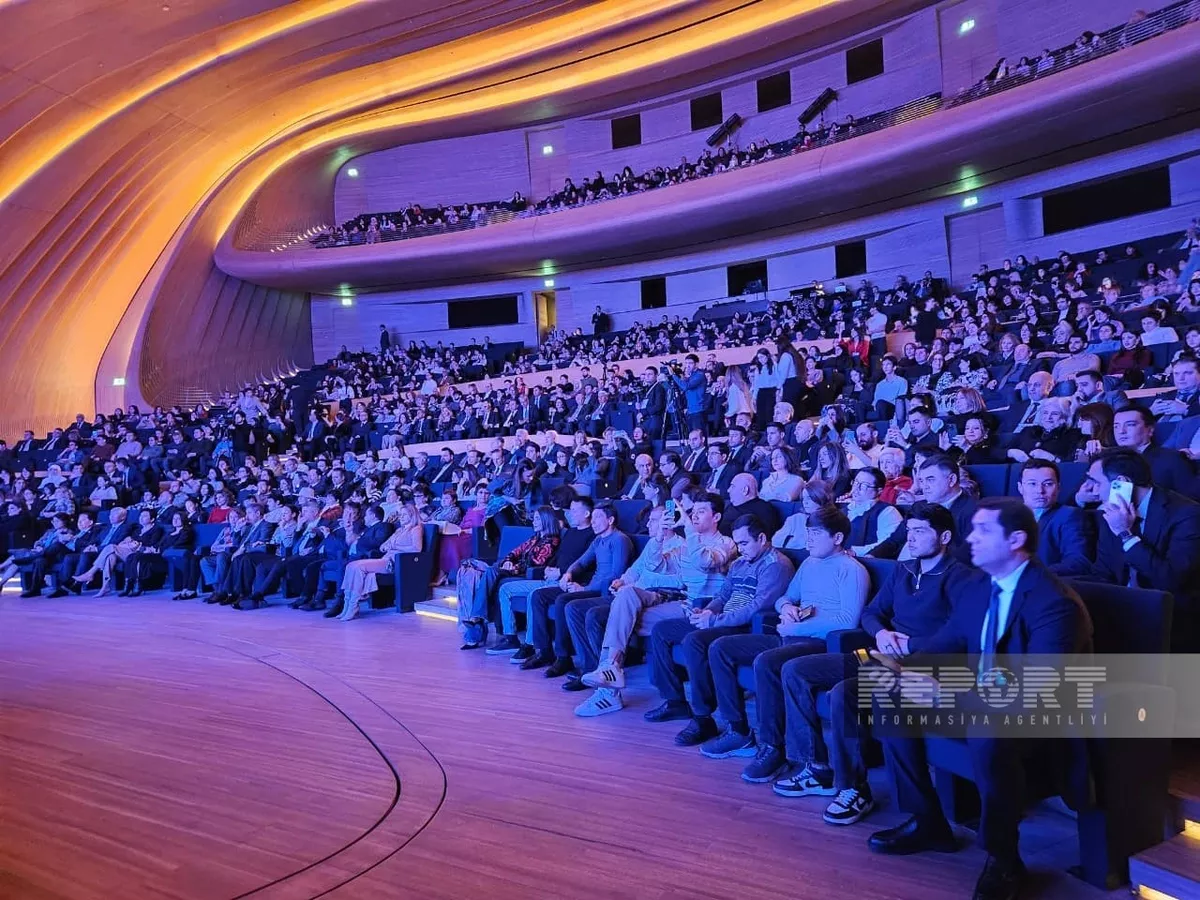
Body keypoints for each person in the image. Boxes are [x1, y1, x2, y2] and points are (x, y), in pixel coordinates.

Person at [867, 499, 1091, 900]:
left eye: (983, 530)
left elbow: (1036, 690)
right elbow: (945, 643)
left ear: (1016, 540)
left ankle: (1004, 858)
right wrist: (901, 670)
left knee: (989, 730)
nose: (970, 538)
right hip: (980, 697)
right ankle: (927, 821)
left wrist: (944, 695)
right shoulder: (980, 588)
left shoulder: (1054, 602)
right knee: (889, 694)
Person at [762, 503, 985, 825]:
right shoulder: (904, 570)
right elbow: (871, 613)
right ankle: (817, 768)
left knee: (844, 693)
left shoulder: (962, 578)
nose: (911, 538)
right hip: (879, 654)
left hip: (924, 663)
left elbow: (962, 633)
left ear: (945, 537)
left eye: (920, 531)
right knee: (797, 670)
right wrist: (881, 633)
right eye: (909, 531)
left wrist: (910, 644)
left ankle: (853, 788)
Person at [698, 505, 868, 762]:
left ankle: (772, 747)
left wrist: (797, 627)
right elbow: (785, 597)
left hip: (819, 643)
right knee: (721, 648)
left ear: (837, 537)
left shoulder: (851, 569)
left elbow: (847, 620)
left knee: (767, 661)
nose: (809, 540)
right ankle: (738, 731)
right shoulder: (809, 563)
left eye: (816, 534)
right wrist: (787, 607)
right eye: (808, 533)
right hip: (789, 634)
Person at [575, 494, 737, 716]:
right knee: (626, 595)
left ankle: (608, 691)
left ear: (716, 517)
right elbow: (654, 565)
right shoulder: (685, 546)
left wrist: (688, 528)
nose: (694, 516)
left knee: (618, 619)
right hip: (682, 602)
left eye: (701, 512)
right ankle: (610, 668)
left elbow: (705, 561)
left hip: (702, 607)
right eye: (693, 512)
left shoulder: (725, 543)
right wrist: (660, 535)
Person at [643, 515, 795, 746]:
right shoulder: (740, 563)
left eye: (744, 543)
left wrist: (714, 621)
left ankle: (703, 717)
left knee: (695, 640)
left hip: (743, 627)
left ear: (762, 538)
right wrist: (707, 611)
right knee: (662, 630)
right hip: (722, 620)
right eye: (738, 543)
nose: (740, 549)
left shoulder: (776, 565)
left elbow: (757, 608)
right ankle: (675, 702)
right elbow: (723, 596)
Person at [1085, 448, 1200, 650]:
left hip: (1171, 618)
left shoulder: (1187, 514)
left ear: (1121, 483)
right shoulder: (1110, 512)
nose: (1092, 491)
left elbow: (1171, 578)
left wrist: (1126, 534)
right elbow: (1102, 572)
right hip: (1122, 611)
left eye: (1097, 483)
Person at [521, 501, 633, 677]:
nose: (593, 522)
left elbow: (616, 575)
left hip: (603, 591)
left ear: (610, 520)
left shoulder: (620, 540)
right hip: (589, 587)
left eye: (597, 518)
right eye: (592, 518)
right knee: (538, 596)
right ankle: (544, 651)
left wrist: (584, 588)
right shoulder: (598, 540)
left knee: (562, 600)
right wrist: (568, 573)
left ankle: (563, 658)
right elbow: (581, 562)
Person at [461, 506, 561, 650]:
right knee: (488, 572)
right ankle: (477, 619)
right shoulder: (535, 538)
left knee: (490, 573)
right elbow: (516, 551)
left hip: (528, 575)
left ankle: (476, 619)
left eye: (537, 519)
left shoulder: (552, 541)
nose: (534, 521)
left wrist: (513, 568)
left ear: (546, 520)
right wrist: (508, 560)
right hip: (515, 570)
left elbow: (536, 564)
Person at [871, 455, 977, 560]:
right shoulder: (920, 506)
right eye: (921, 481)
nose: (924, 487)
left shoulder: (974, 512)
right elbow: (894, 541)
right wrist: (871, 556)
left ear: (952, 480)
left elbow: (967, 556)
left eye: (930, 480)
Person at [337, 503, 422, 621]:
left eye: (404, 515)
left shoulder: (416, 529)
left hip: (395, 563)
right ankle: (347, 605)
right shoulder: (399, 530)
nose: (401, 517)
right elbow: (383, 545)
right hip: (385, 558)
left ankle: (353, 605)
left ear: (412, 515)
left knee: (358, 567)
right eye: (400, 515)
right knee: (350, 566)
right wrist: (385, 546)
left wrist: (395, 547)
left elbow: (417, 549)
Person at [1014, 460, 1095, 576]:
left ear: (1058, 487)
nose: (1040, 491)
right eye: (1032, 484)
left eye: (1048, 484)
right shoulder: (1006, 514)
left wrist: (1033, 574)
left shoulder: (1069, 515)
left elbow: (1079, 562)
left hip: (1044, 581)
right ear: (1020, 487)